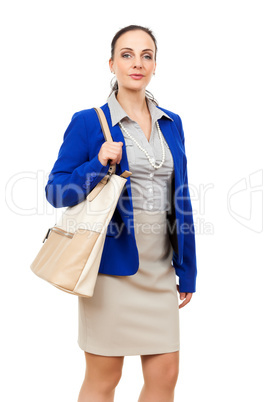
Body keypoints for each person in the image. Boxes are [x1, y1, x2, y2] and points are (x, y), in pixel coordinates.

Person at [45, 24, 197, 402]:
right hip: (110, 270)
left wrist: (188, 267)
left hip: (160, 269)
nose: (137, 63)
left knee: (166, 374)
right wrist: (97, 163)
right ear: (112, 64)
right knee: (105, 377)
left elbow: (182, 198)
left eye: (146, 55)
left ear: (155, 65)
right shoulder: (88, 121)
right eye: (127, 55)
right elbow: (56, 190)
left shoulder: (172, 123)